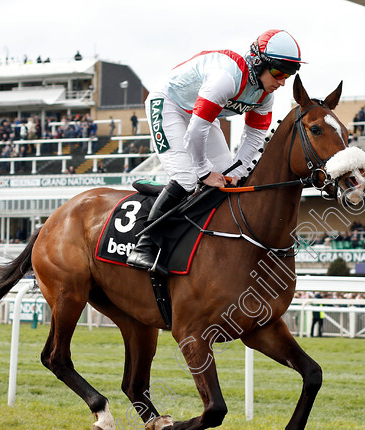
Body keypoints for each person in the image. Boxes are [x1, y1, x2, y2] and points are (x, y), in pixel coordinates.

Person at [126, 29, 305, 274]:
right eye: (278, 72)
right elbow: (195, 132)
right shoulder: (227, 78)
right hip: (169, 104)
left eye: (289, 74)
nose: (282, 81)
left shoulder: (265, 96)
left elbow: (254, 137)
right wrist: (202, 172)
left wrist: (238, 171)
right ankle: (143, 245)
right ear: (257, 62)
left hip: (199, 115)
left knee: (228, 179)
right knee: (188, 179)